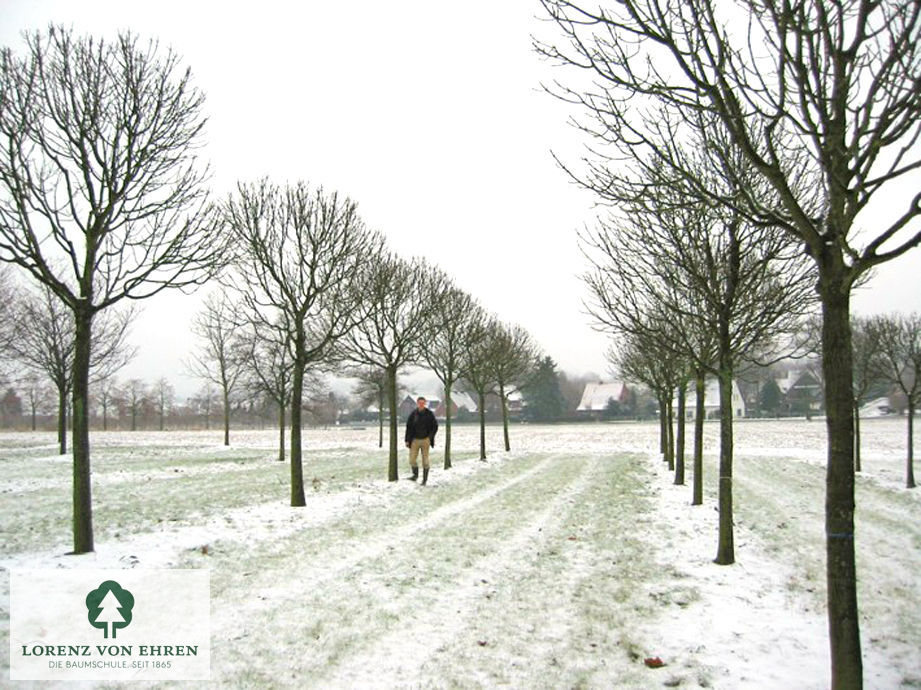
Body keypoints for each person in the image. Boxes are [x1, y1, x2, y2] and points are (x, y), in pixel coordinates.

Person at [405, 396, 438, 485]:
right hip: (415, 440)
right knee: (412, 460)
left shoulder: (429, 414)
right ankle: (415, 475)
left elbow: (435, 426)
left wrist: (430, 437)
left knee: (425, 461)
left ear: (425, 403)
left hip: (425, 440)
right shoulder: (413, 414)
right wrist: (407, 440)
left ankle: (424, 480)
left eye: (423, 403)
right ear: (417, 403)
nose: (421, 404)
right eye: (419, 403)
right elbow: (408, 427)